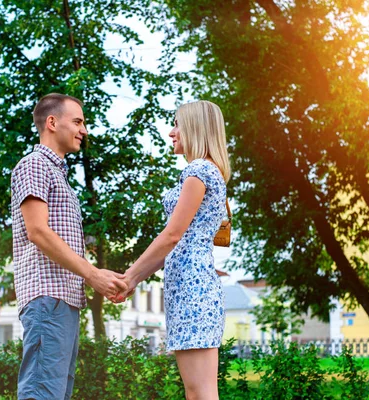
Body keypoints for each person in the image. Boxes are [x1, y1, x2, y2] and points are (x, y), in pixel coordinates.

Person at [11, 93, 127, 399]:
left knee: (56, 393)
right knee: (42, 393)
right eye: (77, 121)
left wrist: (93, 276)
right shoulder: (34, 165)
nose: (84, 130)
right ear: (52, 122)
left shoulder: (58, 176)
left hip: (63, 300)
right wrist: (92, 275)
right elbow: (38, 231)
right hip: (47, 297)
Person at [116, 100, 230, 400]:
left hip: (193, 288)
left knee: (200, 392)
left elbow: (171, 236)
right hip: (191, 286)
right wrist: (133, 278)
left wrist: (130, 278)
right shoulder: (207, 170)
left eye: (177, 124)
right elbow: (173, 242)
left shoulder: (199, 170)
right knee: (197, 392)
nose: (171, 132)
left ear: (195, 128)